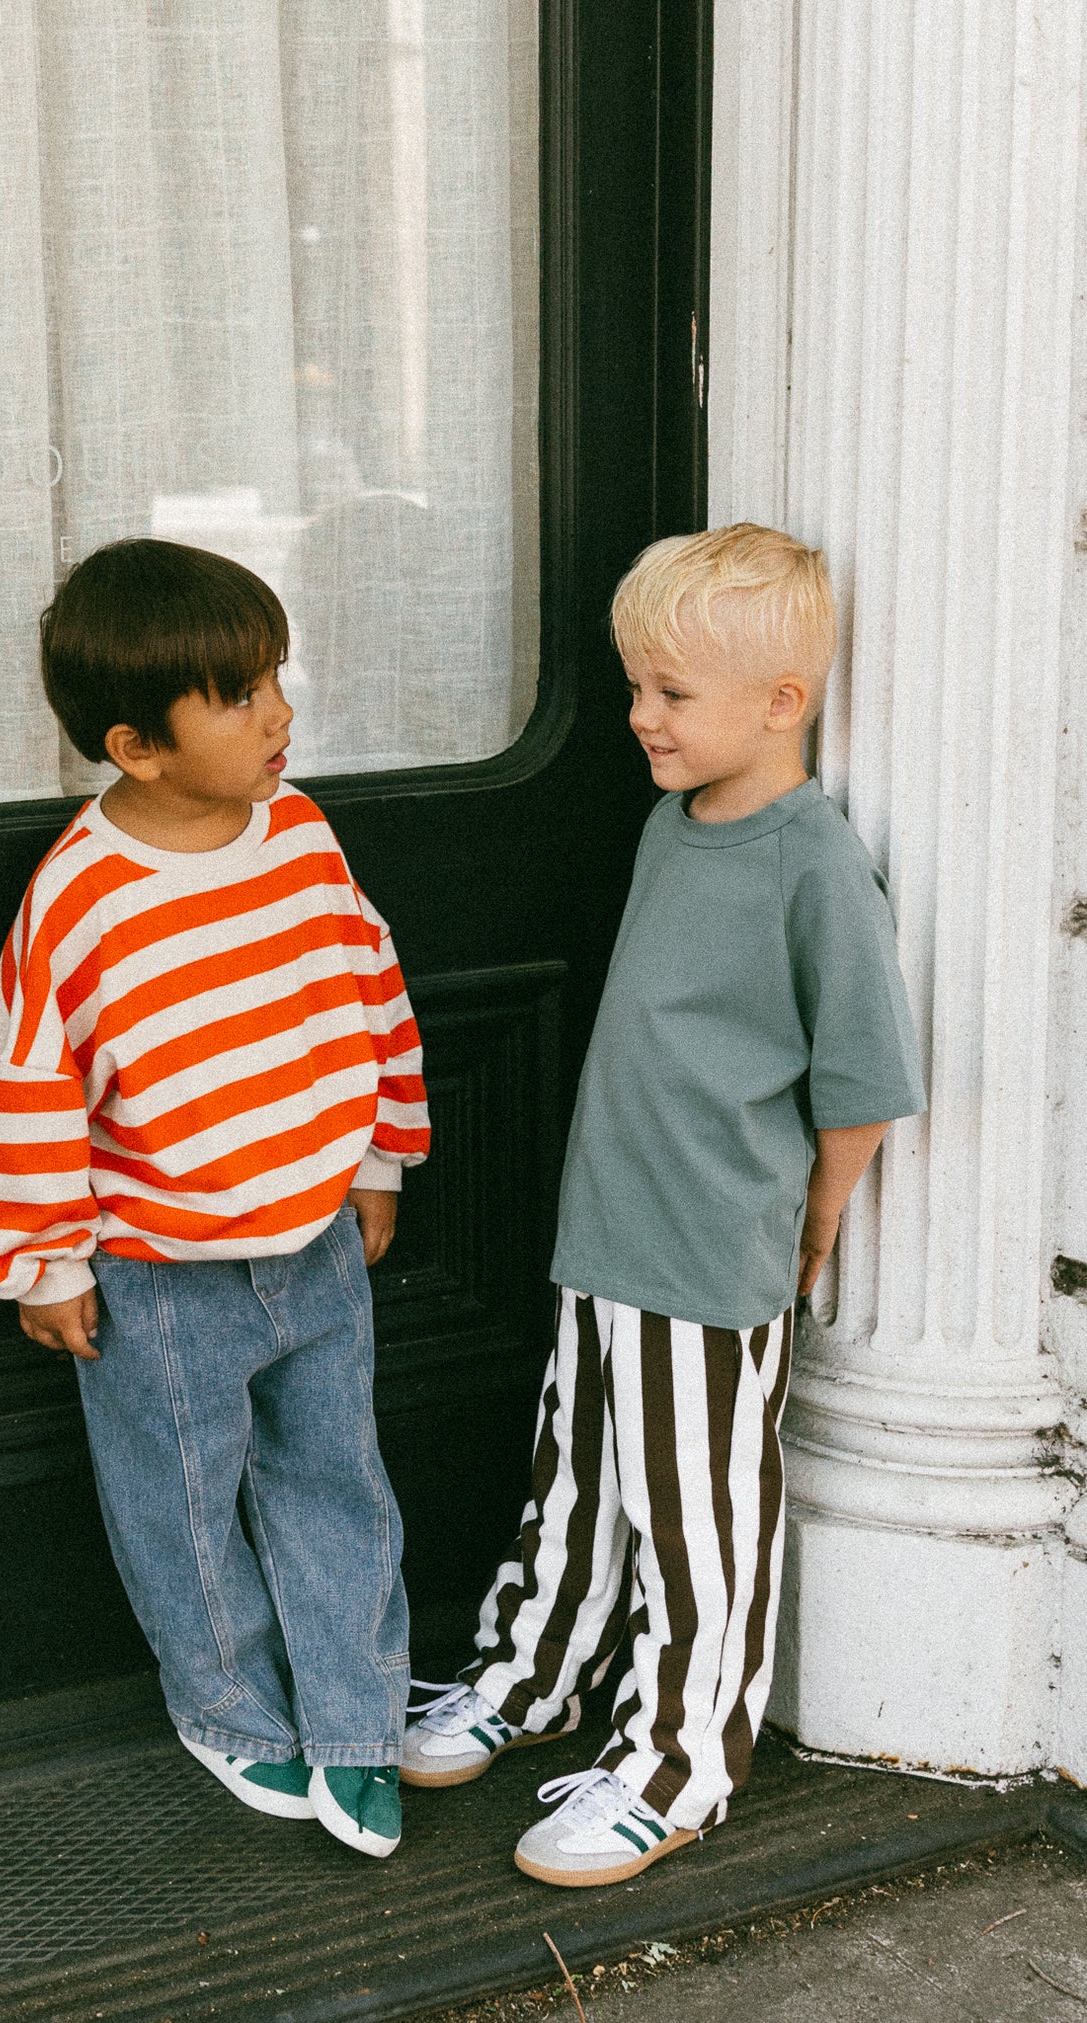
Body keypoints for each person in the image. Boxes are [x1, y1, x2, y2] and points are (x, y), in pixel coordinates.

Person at [402, 523, 925, 1887]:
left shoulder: (812, 862)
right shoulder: (668, 822)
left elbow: (860, 1078)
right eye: (635, 685)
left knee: (695, 1515)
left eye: (669, 695)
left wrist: (812, 1221)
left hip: (705, 1250)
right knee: (574, 1480)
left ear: (779, 704)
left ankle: (679, 1767)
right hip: (606, 1231)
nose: (638, 716)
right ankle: (528, 1678)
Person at [0, 538, 429, 1859]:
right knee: (178, 1501)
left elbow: (366, 994)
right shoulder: (80, 897)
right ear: (138, 745)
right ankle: (228, 1709)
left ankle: (355, 1723)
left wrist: (377, 1155)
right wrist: (42, 1262)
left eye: (274, 675)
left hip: (315, 1242)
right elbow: (29, 1079)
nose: (278, 711)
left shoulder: (300, 836)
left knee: (336, 1479)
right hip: (157, 1271)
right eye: (236, 694)